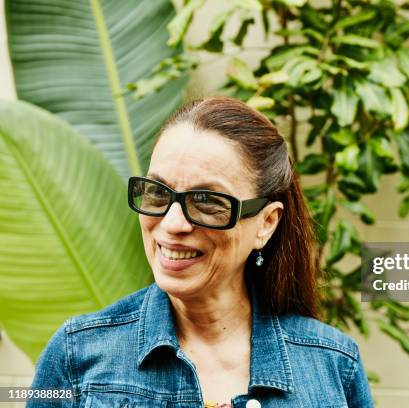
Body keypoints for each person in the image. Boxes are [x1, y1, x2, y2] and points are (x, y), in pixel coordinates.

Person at [28, 96, 374, 408]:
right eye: (157, 192)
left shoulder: (333, 365)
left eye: (207, 200)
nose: (173, 223)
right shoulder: (77, 355)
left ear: (266, 223)